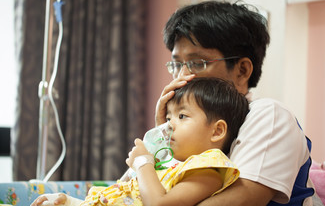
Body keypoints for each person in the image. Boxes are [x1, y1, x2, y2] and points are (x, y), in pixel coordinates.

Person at [155, 0, 315, 205]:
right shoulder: (183, 124)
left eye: (197, 63)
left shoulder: (269, 116)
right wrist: (161, 135)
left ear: (242, 71)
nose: (181, 77)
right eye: (176, 64)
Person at [31, 77, 249, 206]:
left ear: (217, 131)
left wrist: (144, 162)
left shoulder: (208, 170)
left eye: (182, 116)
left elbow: (158, 204)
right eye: (169, 117)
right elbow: (121, 191)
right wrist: (71, 202)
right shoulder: (170, 161)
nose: (169, 125)